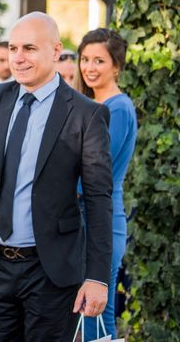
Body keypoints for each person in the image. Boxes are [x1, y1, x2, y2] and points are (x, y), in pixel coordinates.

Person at [0, 12, 113, 341]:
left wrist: (97, 277)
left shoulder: (86, 114)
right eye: (14, 48)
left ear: (55, 50)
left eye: (29, 48)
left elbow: (98, 199)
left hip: (51, 270)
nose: (18, 58)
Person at [76, 28, 137, 340]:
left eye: (99, 60)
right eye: (85, 59)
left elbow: (95, 174)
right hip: (83, 218)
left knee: (98, 315)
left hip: (100, 220)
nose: (89, 67)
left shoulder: (118, 108)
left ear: (117, 65)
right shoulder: (93, 104)